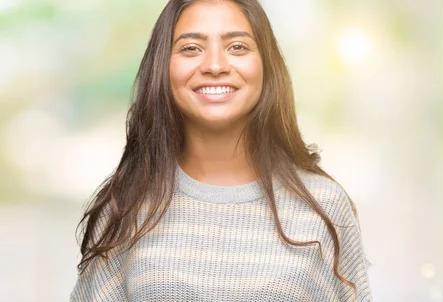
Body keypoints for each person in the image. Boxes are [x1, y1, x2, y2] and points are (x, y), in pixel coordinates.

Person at [70, 0, 372, 301]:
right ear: (162, 66)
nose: (215, 66)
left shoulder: (324, 205)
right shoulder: (126, 206)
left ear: (267, 65)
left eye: (237, 47)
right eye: (191, 48)